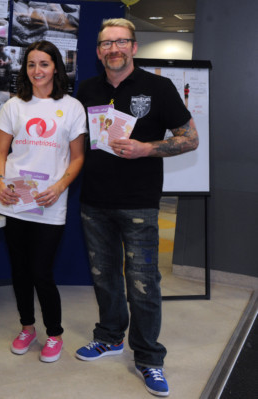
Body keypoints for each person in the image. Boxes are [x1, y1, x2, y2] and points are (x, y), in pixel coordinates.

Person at [74, 19, 198, 397]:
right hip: (94, 202)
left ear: (134, 46)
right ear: (98, 51)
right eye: (106, 43)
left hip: (139, 203)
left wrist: (147, 148)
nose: (114, 49)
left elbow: (190, 138)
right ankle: (110, 337)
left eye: (121, 42)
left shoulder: (158, 87)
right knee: (104, 277)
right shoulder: (87, 89)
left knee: (143, 285)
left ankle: (148, 358)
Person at [0, 40, 86, 363]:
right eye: (31, 64)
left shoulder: (72, 107)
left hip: (49, 202)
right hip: (15, 199)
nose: (37, 71)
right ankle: (27, 327)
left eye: (43, 64)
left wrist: (60, 187)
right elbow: (0, 153)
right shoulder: (13, 106)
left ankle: (55, 333)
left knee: (41, 271)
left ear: (56, 67)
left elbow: (77, 158)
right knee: (19, 270)